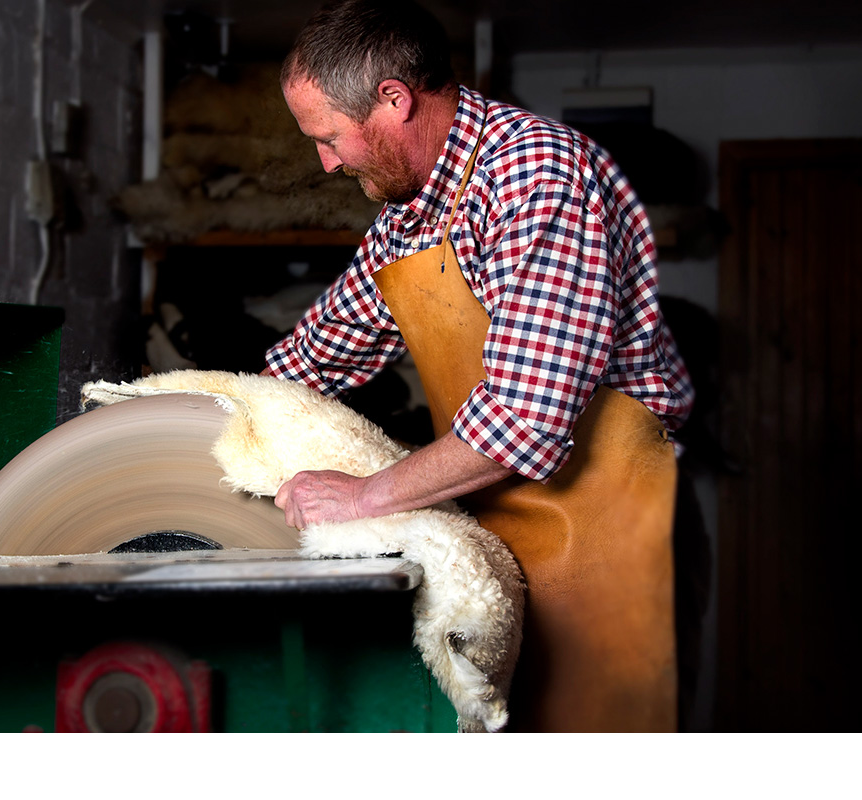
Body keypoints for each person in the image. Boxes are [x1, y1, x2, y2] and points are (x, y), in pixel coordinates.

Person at [263, 0, 695, 732]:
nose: (326, 162)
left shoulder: (537, 177)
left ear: (395, 101)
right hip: (497, 526)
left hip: (609, 532)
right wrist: (222, 415)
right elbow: (321, 349)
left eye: (331, 137)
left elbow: (524, 421)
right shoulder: (413, 211)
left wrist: (364, 497)